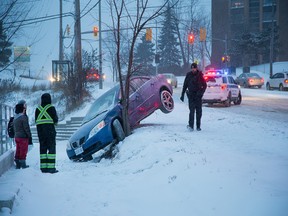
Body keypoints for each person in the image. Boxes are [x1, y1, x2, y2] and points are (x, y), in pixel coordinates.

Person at [35, 93, 59, 174]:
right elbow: (55, 120)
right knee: (51, 148)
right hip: (50, 132)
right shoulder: (51, 108)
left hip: (40, 132)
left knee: (43, 148)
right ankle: (51, 168)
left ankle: (43, 168)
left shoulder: (37, 109)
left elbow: (36, 121)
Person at [180, 63, 207, 131]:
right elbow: (185, 85)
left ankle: (198, 126)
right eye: (192, 68)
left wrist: (201, 93)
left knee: (198, 112)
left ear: (196, 68)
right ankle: (191, 126)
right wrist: (182, 94)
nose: (193, 69)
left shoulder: (200, 75)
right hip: (191, 95)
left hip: (198, 96)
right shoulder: (188, 75)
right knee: (191, 111)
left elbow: (204, 85)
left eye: (194, 68)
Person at [13, 103, 32, 169]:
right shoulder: (23, 117)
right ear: (22, 109)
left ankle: (17, 161)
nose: (25, 109)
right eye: (24, 108)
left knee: (18, 149)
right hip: (23, 137)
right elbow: (26, 128)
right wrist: (29, 136)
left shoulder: (15, 117)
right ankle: (23, 163)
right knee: (23, 150)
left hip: (16, 136)